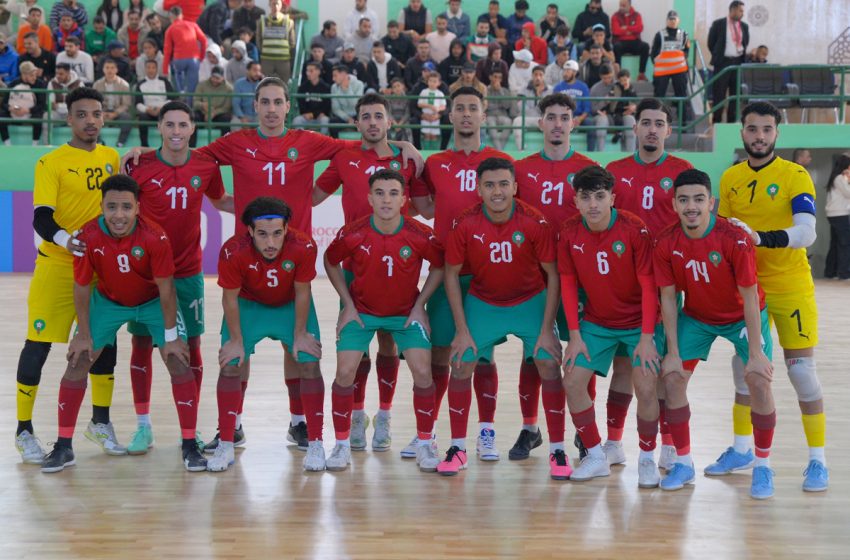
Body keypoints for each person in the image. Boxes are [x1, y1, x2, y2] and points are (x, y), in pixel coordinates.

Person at [125, 76, 422, 452]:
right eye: (263, 102)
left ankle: (298, 422)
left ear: (287, 106)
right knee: (238, 350)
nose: (270, 109)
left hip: (294, 264)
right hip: (247, 262)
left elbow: (362, 143)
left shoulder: (309, 142)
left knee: (295, 348)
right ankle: (232, 426)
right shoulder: (234, 143)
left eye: (277, 102)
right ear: (254, 106)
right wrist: (144, 155)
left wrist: (402, 145)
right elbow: (185, 153)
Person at [39, 174, 207, 474]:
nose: (119, 215)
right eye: (112, 207)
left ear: (138, 208)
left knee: (178, 360)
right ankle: (64, 446)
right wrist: (84, 334)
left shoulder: (155, 237)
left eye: (126, 207)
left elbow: (167, 289)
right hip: (108, 303)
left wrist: (170, 337)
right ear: (101, 206)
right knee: (78, 361)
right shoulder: (87, 236)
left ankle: (189, 444)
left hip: (154, 303)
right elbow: (81, 287)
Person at [715, 101, 828, 492]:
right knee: (745, 369)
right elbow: (726, 235)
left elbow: (807, 233)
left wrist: (761, 238)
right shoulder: (729, 178)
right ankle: (743, 449)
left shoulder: (796, 175)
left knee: (801, 373)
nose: (759, 136)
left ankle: (818, 461)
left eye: (766, 129)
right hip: (748, 290)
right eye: (752, 129)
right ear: (742, 132)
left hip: (791, 285)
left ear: (777, 133)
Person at [437, 157, 565, 479]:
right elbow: (451, 275)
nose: (497, 191)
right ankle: (457, 448)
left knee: (548, 361)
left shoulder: (535, 222)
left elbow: (554, 275)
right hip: (484, 301)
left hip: (529, 300)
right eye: (490, 185)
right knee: (462, 360)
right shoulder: (465, 223)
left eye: (504, 184)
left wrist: (548, 329)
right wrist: (461, 330)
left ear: (515, 187)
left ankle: (557, 450)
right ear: (478, 189)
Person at [13, 87, 122, 465]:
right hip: (58, 267)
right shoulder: (51, 162)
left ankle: (101, 422)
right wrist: (67, 241)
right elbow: (41, 216)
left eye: (96, 113)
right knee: (38, 345)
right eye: (82, 114)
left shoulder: (113, 158)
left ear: (103, 117)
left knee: (103, 344)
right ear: (68, 119)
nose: (90, 120)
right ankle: (24, 430)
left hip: (99, 270)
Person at [654, 168, 776, 498]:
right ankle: (683, 463)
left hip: (742, 316)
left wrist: (755, 352)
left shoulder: (733, 238)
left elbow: (750, 296)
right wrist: (674, 353)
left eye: (698, 199)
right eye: (683, 200)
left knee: (759, 380)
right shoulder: (666, 242)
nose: (691, 206)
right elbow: (668, 297)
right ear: (675, 204)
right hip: (697, 317)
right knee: (673, 377)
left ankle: (762, 466)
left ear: (712, 202)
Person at [408, 87, 512, 461]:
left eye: (473, 108)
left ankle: (486, 433)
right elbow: (422, 208)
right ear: (449, 116)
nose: (466, 114)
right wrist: (413, 158)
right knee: (439, 355)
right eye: (460, 109)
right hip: (442, 272)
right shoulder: (436, 163)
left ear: (484, 115)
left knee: (482, 356)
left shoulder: (500, 161)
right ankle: (428, 434)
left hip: (484, 274)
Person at [123, 101, 232, 454]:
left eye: (182, 125)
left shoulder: (205, 164)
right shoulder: (139, 166)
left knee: (192, 348)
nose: (175, 131)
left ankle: (192, 427)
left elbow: (222, 202)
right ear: (159, 127)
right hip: (145, 275)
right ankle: (143, 426)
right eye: (169, 124)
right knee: (141, 346)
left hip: (187, 273)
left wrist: (270, 206)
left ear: (192, 129)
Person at [313, 97, 420, 450]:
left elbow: (421, 204)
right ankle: (356, 415)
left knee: (389, 343)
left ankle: (385, 415)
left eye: (378, 116)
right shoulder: (344, 158)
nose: (372, 122)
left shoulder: (405, 160)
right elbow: (312, 196)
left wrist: (411, 150)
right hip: (355, 268)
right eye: (365, 117)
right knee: (355, 348)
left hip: (398, 268)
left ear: (389, 121)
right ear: (357, 123)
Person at [324, 169, 443, 471]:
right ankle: (340, 446)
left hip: (404, 314)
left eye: (393, 193)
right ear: (369, 198)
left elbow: (440, 267)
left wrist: (420, 305)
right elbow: (330, 259)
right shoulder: (354, 231)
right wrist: (347, 305)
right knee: (345, 371)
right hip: (362, 311)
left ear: (404, 199)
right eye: (380, 193)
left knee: (422, 372)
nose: (386, 200)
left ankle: (425, 442)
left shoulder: (419, 233)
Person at [603, 98, 693, 467]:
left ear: (668, 131)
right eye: (646, 122)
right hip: (622, 283)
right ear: (635, 127)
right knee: (625, 366)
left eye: (659, 123)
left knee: (660, 368)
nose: (652, 129)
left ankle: (669, 444)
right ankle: (612, 442)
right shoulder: (614, 169)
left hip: (666, 285)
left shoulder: (682, 170)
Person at [559, 165, 662, 486]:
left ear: (612, 199)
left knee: (645, 386)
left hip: (639, 323)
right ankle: (595, 454)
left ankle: (647, 458)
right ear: (575, 200)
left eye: (600, 197)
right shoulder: (569, 232)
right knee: (573, 380)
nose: (593, 204)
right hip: (597, 322)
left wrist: (647, 338)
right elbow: (567, 284)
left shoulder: (634, 230)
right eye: (586, 197)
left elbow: (649, 287)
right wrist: (574, 336)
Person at [511, 94, 597, 460]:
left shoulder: (590, 170)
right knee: (535, 354)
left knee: (581, 354)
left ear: (573, 124)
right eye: (551, 117)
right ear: (540, 123)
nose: (558, 123)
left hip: (581, 278)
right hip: (534, 278)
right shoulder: (521, 169)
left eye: (564, 117)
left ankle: (582, 430)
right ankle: (530, 429)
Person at [210, 196, 323, 471]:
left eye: (277, 234)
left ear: (286, 229)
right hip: (249, 307)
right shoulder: (232, 251)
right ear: (249, 231)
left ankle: (315, 440)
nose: (270, 243)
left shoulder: (304, 246)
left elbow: (303, 291)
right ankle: (227, 441)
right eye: (262, 234)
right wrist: (236, 341)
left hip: (290, 305)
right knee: (230, 364)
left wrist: (299, 334)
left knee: (308, 361)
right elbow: (229, 298)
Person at [708, 1, 749, 124]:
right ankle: (717, 123)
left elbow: (745, 42)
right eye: (740, 10)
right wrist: (719, 56)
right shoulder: (718, 24)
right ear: (733, 10)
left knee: (735, 95)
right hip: (722, 63)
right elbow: (711, 43)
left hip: (737, 63)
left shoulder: (744, 26)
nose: (742, 13)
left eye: (743, 11)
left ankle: (731, 123)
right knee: (719, 94)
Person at [163, 5, 206, 98]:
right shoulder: (193, 25)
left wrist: (165, 69)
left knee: (178, 75)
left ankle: (181, 93)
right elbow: (204, 40)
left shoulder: (170, 29)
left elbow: (167, 51)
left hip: (179, 60)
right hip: (194, 60)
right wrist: (201, 57)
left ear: (171, 17)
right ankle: (190, 107)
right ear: (181, 15)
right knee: (192, 90)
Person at [0, 60, 45, 146]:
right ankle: (7, 144)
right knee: (1, 115)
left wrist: (28, 110)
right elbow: (4, 103)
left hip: (31, 111)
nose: (34, 77)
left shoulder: (40, 84)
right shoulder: (13, 84)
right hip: (14, 111)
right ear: (24, 75)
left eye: (35, 74)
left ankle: (35, 144)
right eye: (32, 75)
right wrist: (11, 108)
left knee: (39, 116)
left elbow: (41, 104)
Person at [133, 58, 174, 147]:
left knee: (167, 118)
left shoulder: (165, 81)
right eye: (148, 67)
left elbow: (171, 99)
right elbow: (138, 103)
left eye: (153, 67)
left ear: (157, 69)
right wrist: (147, 109)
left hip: (162, 111)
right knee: (142, 118)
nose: (151, 70)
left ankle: (165, 146)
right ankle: (144, 146)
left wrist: (161, 108)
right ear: (145, 69)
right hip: (148, 112)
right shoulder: (140, 84)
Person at [651, 10, 690, 101]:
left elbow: (686, 51)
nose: (672, 21)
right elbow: (653, 52)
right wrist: (656, 62)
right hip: (662, 70)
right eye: (670, 19)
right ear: (667, 20)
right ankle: (658, 115)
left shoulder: (684, 34)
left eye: (674, 19)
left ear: (678, 20)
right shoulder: (659, 35)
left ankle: (682, 114)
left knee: (681, 96)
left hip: (679, 70)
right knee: (659, 96)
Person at [93, 58, 131, 147]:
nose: (109, 70)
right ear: (103, 69)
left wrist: (115, 113)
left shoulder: (124, 84)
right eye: (107, 68)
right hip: (102, 111)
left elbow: (126, 104)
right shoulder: (97, 84)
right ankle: (98, 142)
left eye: (112, 68)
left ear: (116, 70)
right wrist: (101, 112)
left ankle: (121, 142)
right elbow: (94, 103)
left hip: (117, 111)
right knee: (91, 117)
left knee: (127, 117)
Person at [191, 65, 233, 145]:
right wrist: (202, 105)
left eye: (218, 78)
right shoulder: (202, 85)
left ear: (223, 78)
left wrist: (213, 113)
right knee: (193, 118)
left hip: (218, 114)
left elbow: (227, 107)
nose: (215, 80)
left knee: (226, 119)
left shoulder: (229, 89)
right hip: (203, 113)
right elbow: (195, 102)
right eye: (213, 77)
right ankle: (191, 148)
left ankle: (224, 148)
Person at [512, 64, 551, 149]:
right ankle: (521, 149)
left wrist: (538, 96)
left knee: (551, 122)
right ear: (532, 76)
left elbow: (548, 110)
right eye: (536, 75)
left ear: (544, 76)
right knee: (517, 121)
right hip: (527, 118)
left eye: (540, 75)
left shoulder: (550, 90)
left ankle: (549, 152)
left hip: (543, 119)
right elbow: (521, 108)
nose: (538, 77)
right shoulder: (523, 89)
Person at [824, 155, 850, 280]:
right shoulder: (840, 178)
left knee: (835, 244)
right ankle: (844, 273)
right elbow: (848, 193)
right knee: (845, 243)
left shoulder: (836, 177)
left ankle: (830, 272)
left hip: (833, 214)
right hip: (840, 214)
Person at [598, 68, 637, 152]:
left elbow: (634, 100)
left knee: (630, 120)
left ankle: (630, 151)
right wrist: (604, 109)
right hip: (617, 109)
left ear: (629, 78)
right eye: (622, 80)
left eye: (626, 80)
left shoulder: (631, 89)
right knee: (617, 118)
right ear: (619, 80)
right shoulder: (616, 87)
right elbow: (609, 99)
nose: (624, 82)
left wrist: (633, 107)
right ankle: (618, 133)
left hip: (627, 110)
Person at [611, 0, 649, 81]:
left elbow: (639, 28)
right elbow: (616, 31)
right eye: (620, 5)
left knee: (645, 47)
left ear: (629, 5)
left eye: (624, 5)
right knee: (616, 47)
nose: (621, 7)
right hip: (621, 42)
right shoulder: (615, 16)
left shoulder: (637, 15)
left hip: (635, 41)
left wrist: (626, 28)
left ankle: (641, 74)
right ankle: (619, 76)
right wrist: (631, 30)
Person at [292, 61, 330, 135]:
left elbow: (327, 106)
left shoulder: (326, 87)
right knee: (297, 120)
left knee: (325, 120)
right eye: (307, 70)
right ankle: (302, 142)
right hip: (306, 116)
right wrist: (305, 113)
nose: (308, 73)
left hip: (320, 117)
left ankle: (322, 142)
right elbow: (301, 104)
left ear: (318, 72)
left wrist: (314, 114)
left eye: (311, 71)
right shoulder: (302, 87)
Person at [330, 63, 365, 137]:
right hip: (343, 116)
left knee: (365, 121)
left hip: (357, 114)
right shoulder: (334, 87)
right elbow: (335, 109)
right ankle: (335, 147)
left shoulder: (359, 84)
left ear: (343, 74)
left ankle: (365, 146)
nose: (333, 79)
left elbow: (356, 105)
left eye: (335, 76)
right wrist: (348, 118)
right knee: (332, 122)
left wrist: (347, 90)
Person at [485, 69, 514, 151]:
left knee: (509, 122)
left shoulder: (505, 91)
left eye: (499, 78)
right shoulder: (485, 90)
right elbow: (487, 106)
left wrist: (500, 92)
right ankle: (500, 151)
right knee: (491, 123)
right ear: (490, 77)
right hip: (490, 116)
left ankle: (498, 150)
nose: (497, 79)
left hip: (502, 115)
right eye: (495, 77)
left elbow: (507, 106)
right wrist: (499, 106)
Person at [417, 71, 446, 145]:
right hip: (425, 116)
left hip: (435, 117)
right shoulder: (424, 91)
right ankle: (426, 153)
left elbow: (443, 106)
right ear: (427, 82)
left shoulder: (440, 93)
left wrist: (438, 109)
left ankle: (434, 153)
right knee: (426, 135)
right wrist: (429, 106)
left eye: (435, 81)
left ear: (439, 83)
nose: (432, 83)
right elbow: (419, 104)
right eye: (430, 81)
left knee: (433, 135)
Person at [232, 60, 263, 125]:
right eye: (254, 70)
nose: (257, 73)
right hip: (243, 114)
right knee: (235, 123)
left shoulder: (263, 84)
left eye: (259, 71)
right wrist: (242, 117)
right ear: (248, 71)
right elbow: (236, 104)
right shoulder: (239, 83)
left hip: (259, 115)